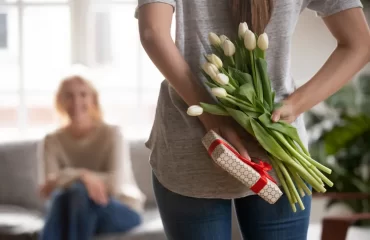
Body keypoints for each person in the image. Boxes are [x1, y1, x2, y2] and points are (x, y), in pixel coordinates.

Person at [136, 0, 370, 239]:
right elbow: (359, 43)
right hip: (279, 149)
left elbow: (153, 32)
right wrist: (294, 105)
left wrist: (211, 117)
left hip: (193, 142)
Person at [38, 71, 146, 240]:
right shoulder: (51, 140)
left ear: (93, 99)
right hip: (72, 207)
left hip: (121, 209)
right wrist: (82, 176)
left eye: (83, 94)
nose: (76, 101)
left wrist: (73, 177)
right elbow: (48, 188)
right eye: (69, 96)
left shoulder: (112, 133)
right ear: (60, 101)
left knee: (77, 192)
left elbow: (115, 185)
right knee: (65, 196)